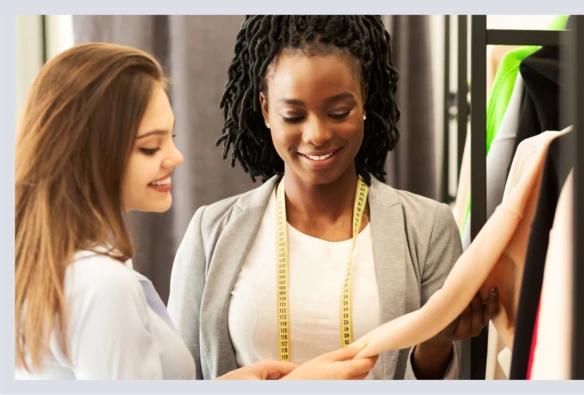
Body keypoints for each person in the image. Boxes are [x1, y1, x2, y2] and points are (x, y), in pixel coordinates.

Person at [14, 42, 376, 380]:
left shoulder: (60, 266)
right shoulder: (103, 285)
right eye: (150, 148)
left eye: (169, 139)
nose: (175, 157)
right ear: (90, 154)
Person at [168, 15, 500, 381]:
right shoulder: (210, 231)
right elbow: (178, 377)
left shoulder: (428, 229)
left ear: (364, 103)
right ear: (266, 110)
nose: (317, 135)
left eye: (338, 112)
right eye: (292, 115)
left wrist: (435, 342)